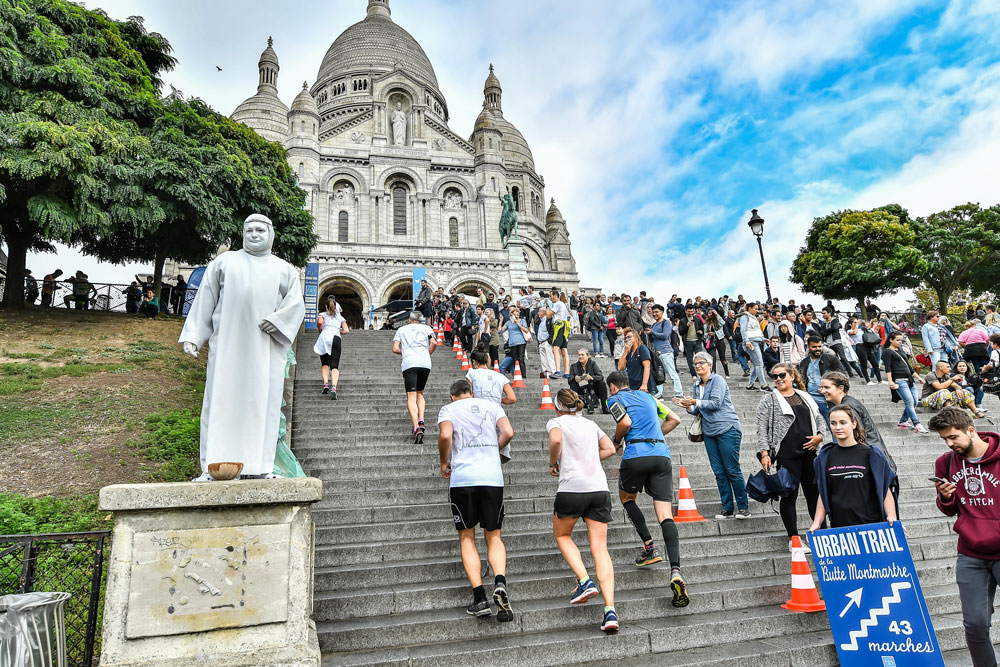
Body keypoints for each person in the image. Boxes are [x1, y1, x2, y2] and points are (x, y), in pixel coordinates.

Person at [179, 213, 305, 481]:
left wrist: (279, 321)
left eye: (260, 230)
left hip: (265, 348)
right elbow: (205, 299)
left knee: (264, 403)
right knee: (220, 401)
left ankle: (260, 466)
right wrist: (193, 335)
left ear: (271, 234)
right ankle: (212, 467)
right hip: (227, 347)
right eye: (249, 230)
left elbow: (295, 305)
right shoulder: (224, 262)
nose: (254, 235)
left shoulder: (284, 269)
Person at [606, 371, 687, 608]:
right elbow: (675, 419)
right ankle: (676, 570)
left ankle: (649, 547)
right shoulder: (650, 397)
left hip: (636, 454)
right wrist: (654, 436)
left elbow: (625, 423)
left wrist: (617, 440)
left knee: (627, 498)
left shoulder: (614, 399)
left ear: (612, 387)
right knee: (665, 514)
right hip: (661, 454)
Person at [437, 378, 515, 621]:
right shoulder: (492, 407)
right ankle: (500, 582)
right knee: (494, 536)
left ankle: (480, 597)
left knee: (467, 537)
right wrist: (494, 449)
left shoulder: (448, 410)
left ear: (452, 396)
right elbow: (509, 432)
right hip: (492, 479)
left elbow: (446, 435)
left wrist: (444, 461)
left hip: (464, 480)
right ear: (471, 392)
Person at [929, 407, 1000, 667]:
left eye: (953, 437)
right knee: (975, 624)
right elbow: (949, 510)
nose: (950, 444)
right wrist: (946, 497)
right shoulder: (945, 463)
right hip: (971, 554)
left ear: (971, 430)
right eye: (944, 439)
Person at [546, 388, 619, 632]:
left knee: (562, 535)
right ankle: (610, 611)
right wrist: (590, 458)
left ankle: (585, 581)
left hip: (572, 488)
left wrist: (553, 462)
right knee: (600, 549)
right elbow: (610, 449)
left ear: (558, 406)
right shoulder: (590, 424)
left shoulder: (556, 421)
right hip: (599, 488)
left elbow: (556, 440)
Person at [756, 363, 826, 551]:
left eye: (782, 375)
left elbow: (819, 418)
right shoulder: (769, 399)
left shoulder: (805, 396)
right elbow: (761, 428)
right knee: (789, 496)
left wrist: (820, 435)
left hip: (810, 453)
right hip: (786, 454)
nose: (778, 379)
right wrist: (764, 452)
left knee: (815, 496)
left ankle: (823, 535)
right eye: (774, 376)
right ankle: (793, 539)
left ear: (792, 376)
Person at [674, 351, 750, 519]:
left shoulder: (718, 380)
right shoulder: (696, 385)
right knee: (718, 471)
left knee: (732, 469)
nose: (698, 366)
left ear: (710, 365)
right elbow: (698, 410)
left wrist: (694, 402)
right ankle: (727, 507)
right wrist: (686, 405)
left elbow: (715, 403)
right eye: (695, 364)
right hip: (709, 431)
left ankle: (743, 507)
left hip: (727, 428)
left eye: (701, 363)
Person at [808, 404, 898, 531]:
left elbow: (885, 489)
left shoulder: (872, 454)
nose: (838, 427)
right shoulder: (825, 456)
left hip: (872, 525)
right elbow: (823, 493)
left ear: (854, 424)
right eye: (833, 423)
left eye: (843, 422)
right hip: (840, 527)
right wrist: (817, 522)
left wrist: (891, 515)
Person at [818, 372, 897, 475]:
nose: (822, 391)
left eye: (827, 387)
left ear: (841, 388)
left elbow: (858, 436)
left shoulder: (848, 407)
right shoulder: (848, 403)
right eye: (822, 387)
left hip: (871, 463)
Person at [392, 311, 438, 444]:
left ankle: (416, 427)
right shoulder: (427, 328)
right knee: (420, 393)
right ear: (422, 320)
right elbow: (434, 343)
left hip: (409, 363)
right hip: (425, 363)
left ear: (410, 320)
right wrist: (428, 353)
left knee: (411, 396)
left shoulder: (402, 329)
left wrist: (405, 352)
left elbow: (395, 348)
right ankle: (421, 419)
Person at [466, 345, 516, 462]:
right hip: (497, 415)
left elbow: (468, 394)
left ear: (473, 361)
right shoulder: (500, 376)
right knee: (497, 446)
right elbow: (512, 398)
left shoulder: (472, 373)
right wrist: (498, 399)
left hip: (479, 413)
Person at [882, 331, 929, 433]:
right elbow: (888, 368)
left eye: (901, 340)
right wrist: (890, 382)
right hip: (899, 380)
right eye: (897, 340)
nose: (900, 342)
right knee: (909, 401)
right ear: (891, 340)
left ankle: (903, 421)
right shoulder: (887, 352)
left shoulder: (901, 350)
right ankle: (917, 424)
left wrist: (919, 378)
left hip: (909, 379)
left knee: (915, 401)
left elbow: (909, 367)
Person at [797, 335, 844, 425]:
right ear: (808, 347)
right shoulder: (804, 362)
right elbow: (800, 380)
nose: (817, 349)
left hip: (828, 401)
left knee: (834, 426)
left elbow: (842, 376)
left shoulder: (831, 359)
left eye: (820, 346)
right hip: (810, 401)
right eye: (814, 347)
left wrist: (827, 387)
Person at [313, 296, 349, 399]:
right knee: (334, 365)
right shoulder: (340, 318)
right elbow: (346, 330)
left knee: (324, 363)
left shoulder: (322, 315)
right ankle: (334, 387)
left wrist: (320, 329)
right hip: (336, 338)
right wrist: (339, 331)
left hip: (324, 338)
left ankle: (325, 384)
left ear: (326, 306)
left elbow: (320, 323)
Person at [647, 304, 683, 397]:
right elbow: (652, 340)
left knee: (672, 373)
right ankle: (659, 394)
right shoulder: (654, 325)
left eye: (656, 312)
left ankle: (679, 393)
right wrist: (649, 334)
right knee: (659, 374)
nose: (654, 314)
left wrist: (652, 332)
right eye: (653, 312)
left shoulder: (666, 323)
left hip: (665, 351)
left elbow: (665, 336)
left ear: (662, 312)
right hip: (656, 352)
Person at [569, 349, 610, 414]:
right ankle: (575, 407)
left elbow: (600, 376)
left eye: (582, 355)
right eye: (579, 355)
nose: (580, 357)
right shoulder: (574, 366)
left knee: (601, 383)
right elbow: (570, 380)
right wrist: (575, 379)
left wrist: (591, 377)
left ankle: (605, 407)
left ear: (587, 356)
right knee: (573, 385)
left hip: (592, 388)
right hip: (580, 389)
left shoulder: (592, 364)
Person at [739, 303, 768, 391]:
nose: (757, 310)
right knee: (759, 363)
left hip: (755, 341)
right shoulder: (745, 317)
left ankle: (750, 384)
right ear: (749, 308)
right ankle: (763, 385)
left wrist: (763, 339)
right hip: (750, 342)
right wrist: (746, 340)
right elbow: (743, 330)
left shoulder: (753, 317)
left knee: (757, 364)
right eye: (755, 308)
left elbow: (756, 331)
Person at [617, 327, 655, 394]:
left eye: (629, 337)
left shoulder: (642, 349)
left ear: (636, 338)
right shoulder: (629, 353)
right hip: (633, 386)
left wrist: (644, 384)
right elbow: (620, 367)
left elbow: (647, 367)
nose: (627, 339)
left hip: (643, 387)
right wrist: (625, 351)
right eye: (625, 338)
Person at [819, 307, 853, 377]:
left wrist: (826, 331)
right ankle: (839, 372)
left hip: (837, 342)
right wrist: (829, 330)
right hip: (829, 343)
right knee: (834, 358)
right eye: (822, 313)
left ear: (829, 313)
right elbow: (822, 333)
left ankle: (850, 373)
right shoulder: (823, 324)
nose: (823, 315)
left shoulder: (835, 320)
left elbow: (835, 328)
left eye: (824, 313)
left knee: (843, 357)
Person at [499, 306, 530, 376]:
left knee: (521, 359)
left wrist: (518, 324)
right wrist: (501, 321)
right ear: (512, 314)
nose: (517, 313)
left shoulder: (522, 321)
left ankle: (523, 375)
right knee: (515, 359)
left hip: (521, 341)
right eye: (516, 312)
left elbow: (526, 330)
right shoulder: (508, 323)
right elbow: (500, 331)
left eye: (518, 312)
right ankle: (517, 375)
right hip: (512, 343)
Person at [678, 305, 705, 377]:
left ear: (694, 311)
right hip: (688, 342)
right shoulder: (682, 321)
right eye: (688, 311)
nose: (690, 313)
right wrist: (687, 326)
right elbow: (680, 332)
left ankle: (700, 373)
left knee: (699, 358)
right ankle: (693, 374)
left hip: (697, 341)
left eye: (691, 311)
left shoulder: (697, 319)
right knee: (690, 359)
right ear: (685, 311)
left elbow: (702, 329)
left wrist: (701, 332)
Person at [550, 290, 572, 378]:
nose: (550, 297)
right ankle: (567, 372)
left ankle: (558, 371)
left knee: (555, 349)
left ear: (555, 295)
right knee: (564, 350)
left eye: (550, 296)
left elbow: (548, 315)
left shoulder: (557, 304)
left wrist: (547, 306)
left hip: (559, 326)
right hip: (565, 326)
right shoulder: (563, 304)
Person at [703, 309, 730, 377]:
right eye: (709, 313)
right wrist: (708, 334)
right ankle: (713, 373)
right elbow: (704, 334)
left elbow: (723, 323)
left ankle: (727, 373)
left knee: (722, 358)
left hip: (720, 340)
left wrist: (717, 314)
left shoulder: (718, 321)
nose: (711, 314)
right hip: (711, 341)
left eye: (712, 313)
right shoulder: (706, 323)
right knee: (712, 358)